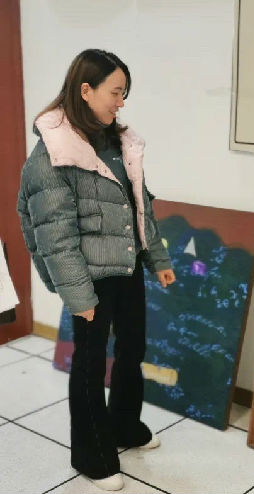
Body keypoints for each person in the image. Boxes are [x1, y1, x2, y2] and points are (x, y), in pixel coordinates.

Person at [16, 49, 176, 492]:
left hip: (127, 267)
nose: (121, 102)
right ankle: (91, 454)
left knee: (132, 348)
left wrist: (157, 260)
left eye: (125, 94)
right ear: (86, 90)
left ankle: (124, 424)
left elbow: (141, 207)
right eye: (116, 92)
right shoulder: (52, 154)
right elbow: (55, 235)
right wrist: (79, 296)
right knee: (89, 365)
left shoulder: (118, 143)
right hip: (89, 279)